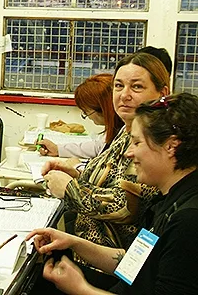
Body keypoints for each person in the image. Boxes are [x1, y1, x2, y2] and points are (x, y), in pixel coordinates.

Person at [27, 92, 198, 294]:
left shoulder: (188, 220)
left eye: (137, 143)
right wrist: (73, 243)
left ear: (171, 146)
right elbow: (134, 265)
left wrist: (81, 289)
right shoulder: (167, 200)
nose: (128, 152)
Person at [42, 53, 168, 269]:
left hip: (112, 269)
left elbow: (126, 207)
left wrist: (70, 189)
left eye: (136, 87)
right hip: (85, 254)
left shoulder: (154, 143)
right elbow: (111, 178)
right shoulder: (126, 130)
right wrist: (77, 175)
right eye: (118, 86)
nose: (124, 95)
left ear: (162, 93)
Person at [38, 73, 124, 160]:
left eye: (86, 111)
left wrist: (77, 167)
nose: (88, 116)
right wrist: (57, 149)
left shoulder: (125, 137)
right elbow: (97, 147)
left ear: (102, 109)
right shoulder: (115, 132)